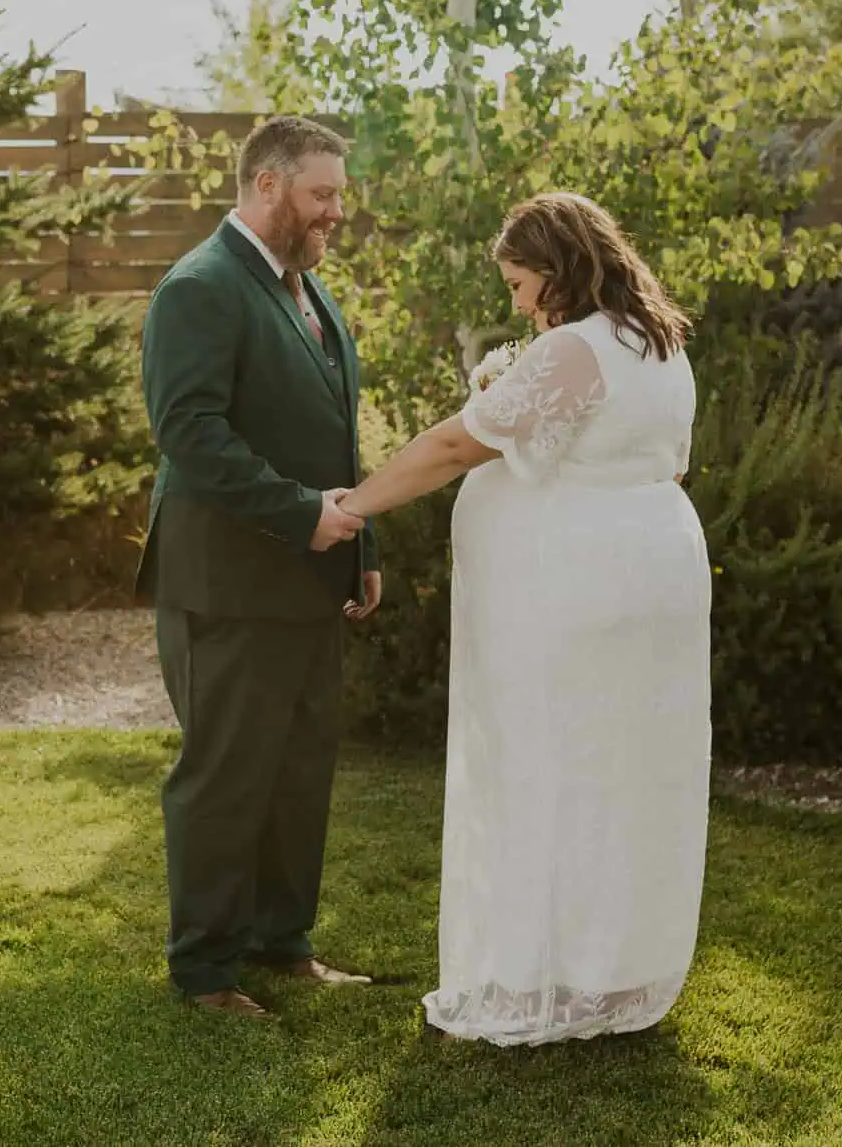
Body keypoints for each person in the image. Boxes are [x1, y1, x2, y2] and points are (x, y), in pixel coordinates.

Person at [336, 191, 711, 1046]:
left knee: (549, 766)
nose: (516, 304)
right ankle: (610, 970)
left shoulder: (577, 348)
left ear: (556, 267)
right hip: (653, 581)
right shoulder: (659, 342)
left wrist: (353, 507)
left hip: (578, 596)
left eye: (517, 283)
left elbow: (452, 445)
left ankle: (542, 973)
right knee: (623, 775)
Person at [134, 115, 383, 1019]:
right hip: (228, 585)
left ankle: (284, 942)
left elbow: (333, 436)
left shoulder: (308, 291)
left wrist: (360, 547)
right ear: (268, 185)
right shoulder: (200, 287)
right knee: (227, 774)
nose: (336, 212)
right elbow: (190, 432)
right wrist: (303, 515)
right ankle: (206, 970)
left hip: (309, 582)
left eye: (339, 194)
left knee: (298, 769)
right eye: (322, 194)